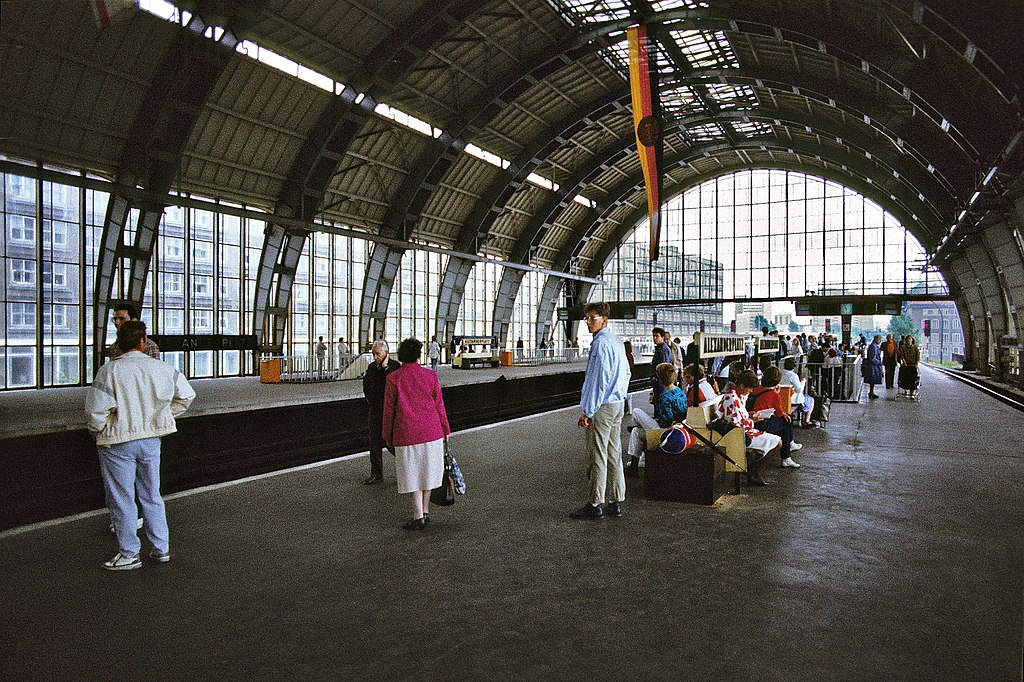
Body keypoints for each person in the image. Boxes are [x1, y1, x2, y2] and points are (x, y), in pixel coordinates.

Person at [85, 320, 195, 570]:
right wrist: (163, 417)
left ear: (118, 343)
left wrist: (98, 430)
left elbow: (95, 412)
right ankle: (161, 548)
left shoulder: (109, 371)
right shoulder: (163, 368)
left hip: (118, 443)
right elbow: (187, 396)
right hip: (150, 442)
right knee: (151, 495)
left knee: (122, 498)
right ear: (143, 341)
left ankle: (129, 554)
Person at [382, 338, 452, 531]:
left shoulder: (393, 379)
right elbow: (439, 405)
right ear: (419, 356)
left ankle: (417, 515)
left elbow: (388, 410)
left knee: (412, 474)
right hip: (432, 432)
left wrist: (386, 434)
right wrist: (446, 429)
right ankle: (425, 511)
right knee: (428, 472)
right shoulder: (430, 376)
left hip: (406, 434)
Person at [571, 302, 630, 520]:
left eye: (592, 318)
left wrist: (588, 411)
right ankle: (616, 501)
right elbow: (626, 373)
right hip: (617, 404)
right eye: (586, 318)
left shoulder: (600, 344)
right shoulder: (616, 342)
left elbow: (598, 381)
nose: (588, 322)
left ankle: (595, 504)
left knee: (597, 454)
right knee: (614, 453)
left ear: (604, 320)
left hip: (603, 407)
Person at [714, 370, 782, 486]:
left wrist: (749, 415)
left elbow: (736, 417)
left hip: (740, 431)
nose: (751, 391)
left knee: (776, 441)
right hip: (738, 435)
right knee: (778, 442)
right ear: (742, 386)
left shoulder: (734, 395)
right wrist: (753, 420)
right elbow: (737, 425)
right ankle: (754, 472)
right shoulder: (733, 398)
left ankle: (753, 471)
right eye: (750, 388)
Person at [624, 362, 688, 477]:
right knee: (636, 432)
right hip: (679, 427)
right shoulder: (679, 391)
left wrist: (656, 421)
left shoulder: (665, 396)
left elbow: (666, 421)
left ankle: (634, 466)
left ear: (659, 378)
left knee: (636, 412)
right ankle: (634, 466)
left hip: (666, 431)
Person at [362, 340, 400, 485]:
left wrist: (385, 369)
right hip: (375, 410)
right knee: (374, 443)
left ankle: (409, 469)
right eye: (373, 354)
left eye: (378, 354)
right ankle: (376, 474)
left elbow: (396, 384)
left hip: (390, 412)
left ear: (386, 352)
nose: (375, 357)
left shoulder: (395, 367)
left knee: (391, 444)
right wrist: (369, 399)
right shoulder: (371, 367)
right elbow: (366, 384)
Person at [749, 365, 802, 468]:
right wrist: (777, 394)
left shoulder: (756, 389)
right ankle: (787, 455)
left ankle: (789, 446)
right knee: (786, 421)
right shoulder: (774, 394)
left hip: (753, 420)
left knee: (785, 420)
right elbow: (778, 413)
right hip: (762, 423)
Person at [780, 357, 815, 428]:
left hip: (782, 397)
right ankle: (807, 420)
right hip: (793, 399)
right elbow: (799, 389)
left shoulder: (780, 373)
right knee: (811, 400)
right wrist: (803, 382)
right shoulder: (793, 375)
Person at [650, 327, 673, 401]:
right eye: (653, 336)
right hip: (660, 383)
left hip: (660, 384)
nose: (654, 338)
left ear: (662, 337)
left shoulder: (663, 350)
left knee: (660, 404)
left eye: (657, 336)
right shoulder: (662, 348)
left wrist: (656, 377)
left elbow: (663, 367)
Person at [898, 335, 921, 399]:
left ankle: (912, 394)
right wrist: (903, 361)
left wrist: (916, 363)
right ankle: (906, 390)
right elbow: (901, 355)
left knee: (913, 379)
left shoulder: (915, 348)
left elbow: (918, 356)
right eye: (908, 339)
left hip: (913, 365)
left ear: (912, 340)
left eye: (910, 339)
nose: (909, 340)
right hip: (905, 366)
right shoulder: (903, 347)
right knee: (905, 378)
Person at [863, 334, 884, 399]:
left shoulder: (874, 346)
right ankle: (871, 392)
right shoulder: (873, 346)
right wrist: (879, 362)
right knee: (872, 379)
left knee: (873, 380)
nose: (880, 341)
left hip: (873, 366)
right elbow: (872, 358)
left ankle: (872, 392)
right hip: (873, 366)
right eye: (880, 340)